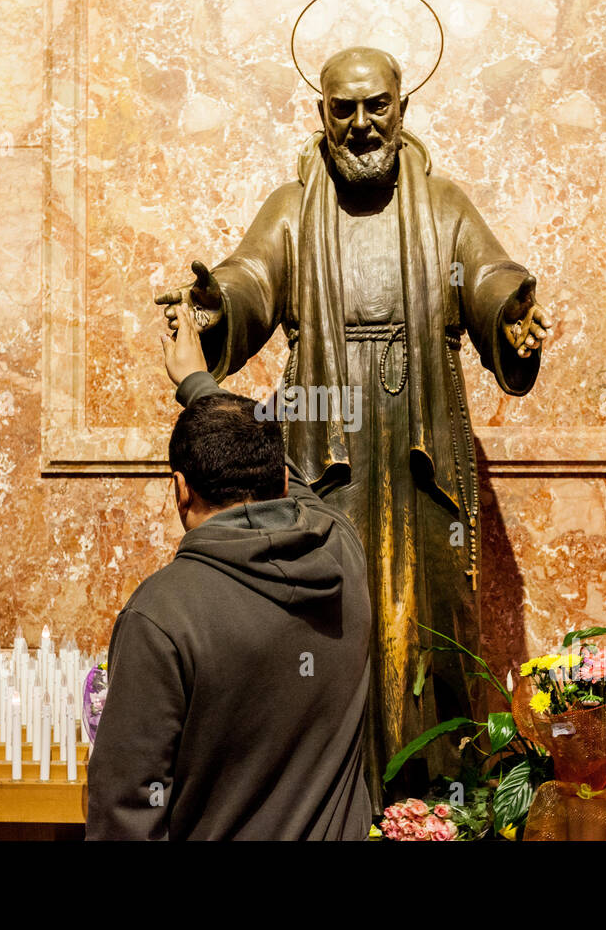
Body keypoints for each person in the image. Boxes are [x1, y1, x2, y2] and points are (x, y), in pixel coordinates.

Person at [155, 46, 551, 805]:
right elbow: (252, 278)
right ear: (321, 115)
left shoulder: (443, 206)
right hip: (325, 452)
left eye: (379, 106)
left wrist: (511, 311)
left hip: (419, 441)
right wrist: (216, 301)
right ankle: (329, 799)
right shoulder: (293, 206)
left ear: (403, 109)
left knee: (435, 623)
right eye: (345, 108)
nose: (363, 124)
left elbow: (490, 274)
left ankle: (440, 802)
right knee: (321, 619)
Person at [84, 306, 373, 840]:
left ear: (179, 489)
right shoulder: (342, 550)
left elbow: (125, 812)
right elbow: (283, 475)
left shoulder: (161, 615)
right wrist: (199, 384)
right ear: (283, 486)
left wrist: (196, 383)